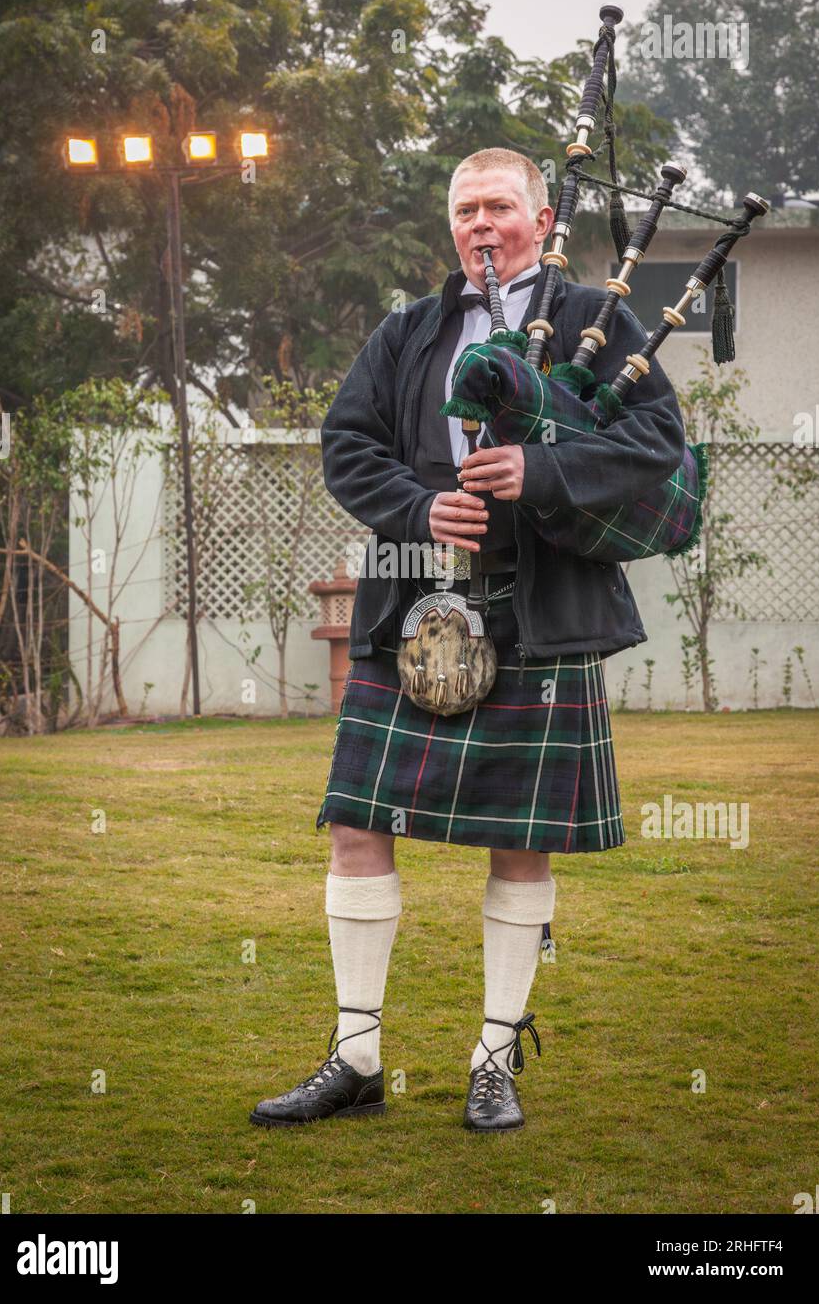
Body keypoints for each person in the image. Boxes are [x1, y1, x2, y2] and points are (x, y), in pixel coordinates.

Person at [250, 148, 686, 1132]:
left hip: (535, 608)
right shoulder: (411, 328)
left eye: (497, 206)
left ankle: (493, 1061)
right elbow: (346, 442)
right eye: (462, 210)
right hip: (408, 605)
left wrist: (538, 471)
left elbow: (657, 446)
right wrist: (417, 506)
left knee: (518, 841)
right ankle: (354, 1057)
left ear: (538, 218)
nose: (478, 224)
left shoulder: (596, 322)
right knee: (359, 825)